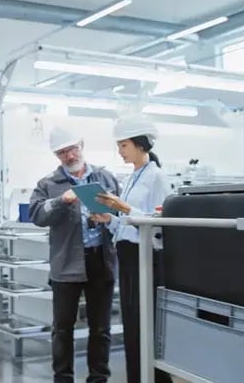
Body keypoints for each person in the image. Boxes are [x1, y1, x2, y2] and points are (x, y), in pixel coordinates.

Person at [29, 126, 121, 383]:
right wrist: (62, 201)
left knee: (101, 328)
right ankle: (63, 378)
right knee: (62, 329)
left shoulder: (105, 178)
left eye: (72, 149)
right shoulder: (48, 184)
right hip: (65, 263)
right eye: (62, 153)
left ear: (81, 145)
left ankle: (98, 378)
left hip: (101, 260)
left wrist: (109, 215)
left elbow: (123, 211)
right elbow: (36, 214)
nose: (69, 156)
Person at [92, 114, 173, 383]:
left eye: (123, 145)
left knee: (146, 326)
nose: (120, 151)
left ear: (141, 144)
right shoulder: (130, 179)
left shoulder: (157, 177)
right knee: (132, 326)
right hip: (127, 258)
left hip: (146, 260)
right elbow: (129, 224)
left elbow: (161, 225)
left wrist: (123, 207)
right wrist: (110, 219)